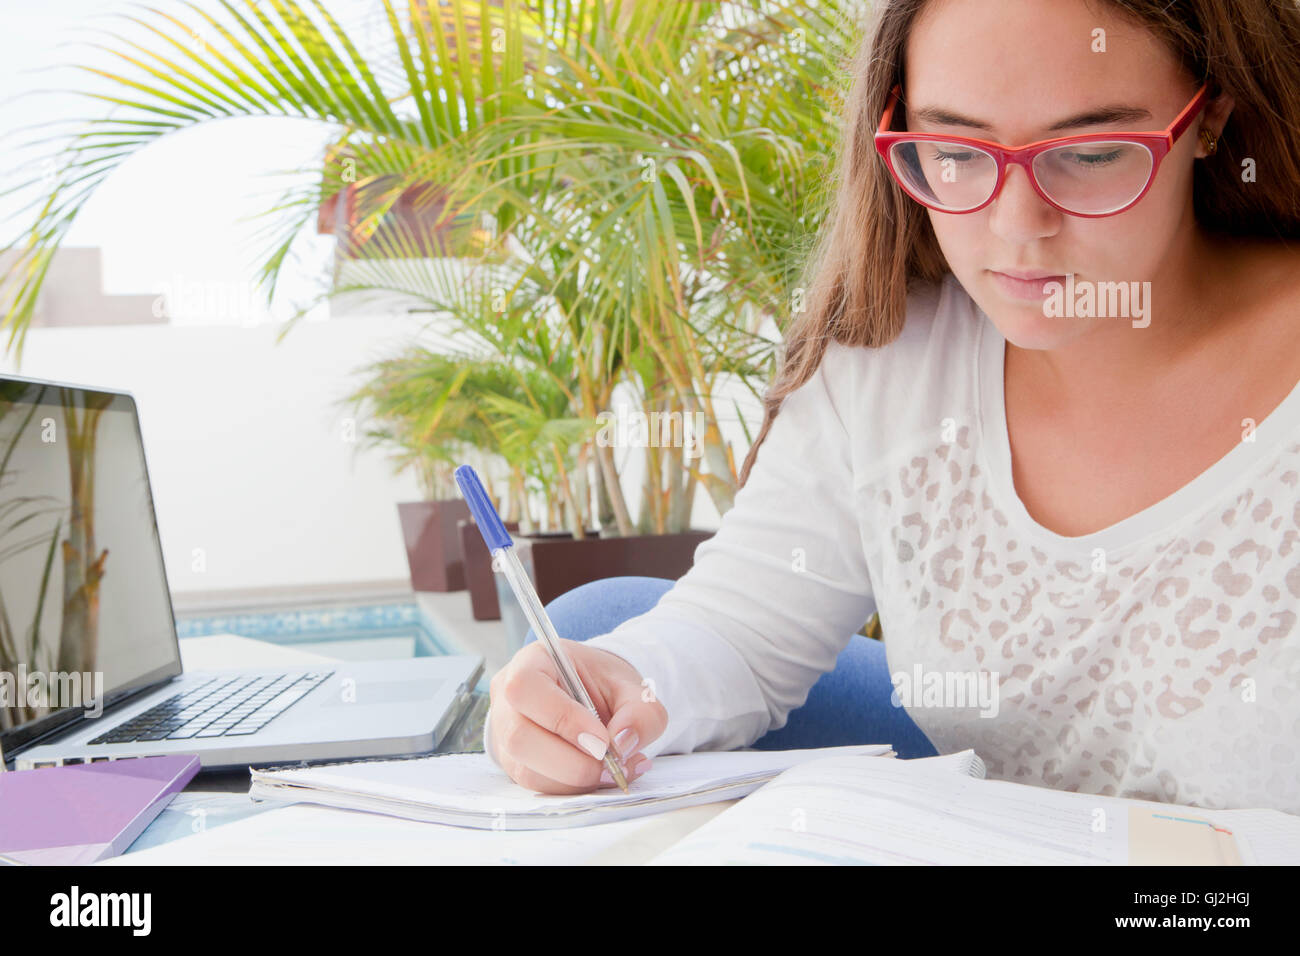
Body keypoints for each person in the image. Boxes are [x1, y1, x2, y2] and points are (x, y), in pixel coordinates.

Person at [484, 0, 1300, 812]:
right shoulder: (889, 363)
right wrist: (614, 687)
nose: (1017, 226)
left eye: (1089, 152)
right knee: (599, 621)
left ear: (1211, 116)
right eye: (952, 150)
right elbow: (735, 632)